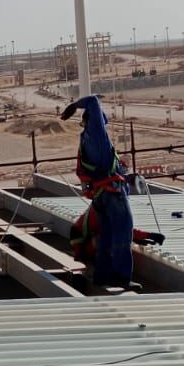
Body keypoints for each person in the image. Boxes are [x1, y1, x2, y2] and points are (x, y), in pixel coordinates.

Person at [62, 94, 136, 288]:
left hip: (101, 195)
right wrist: (76, 105)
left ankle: (102, 276)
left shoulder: (86, 140)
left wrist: (122, 171)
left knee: (106, 236)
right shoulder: (97, 134)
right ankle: (122, 278)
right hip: (112, 194)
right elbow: (93, 101)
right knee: (123, 233)